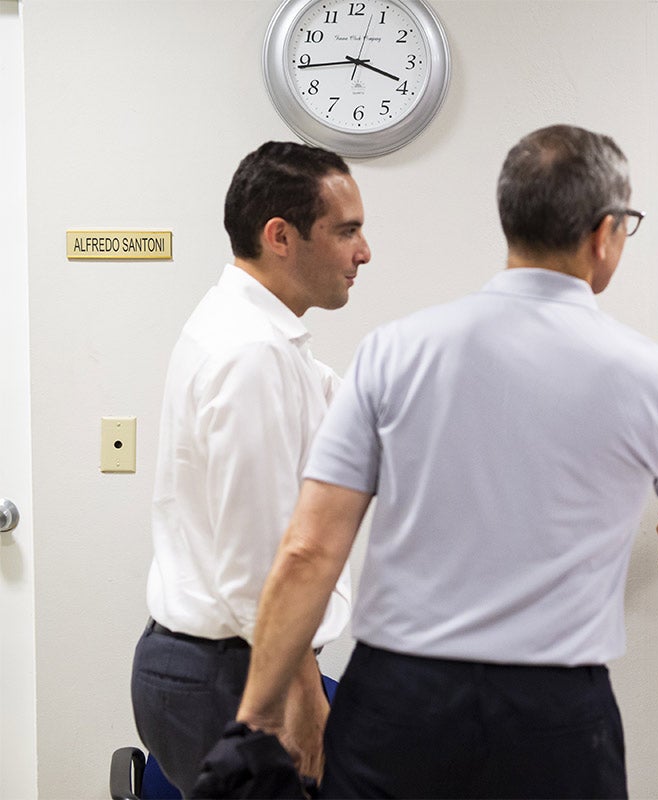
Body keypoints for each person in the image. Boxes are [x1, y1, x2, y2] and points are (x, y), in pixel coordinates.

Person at [233, 124, 658, 799]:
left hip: (397, 702)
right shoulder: (655, 378)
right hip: (555, 716)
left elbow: (308, 553)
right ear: (604, 234)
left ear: (511, 221)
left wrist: (258, 717)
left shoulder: (395, 351)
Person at [130, 140, 371, 793]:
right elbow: (261, 568)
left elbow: (348, 406)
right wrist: (304, 706)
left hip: (229, 663)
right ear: (280, 236)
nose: (364, 253)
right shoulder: (251, 353)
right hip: (233, 672)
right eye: (347, 231)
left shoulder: (262, 336)